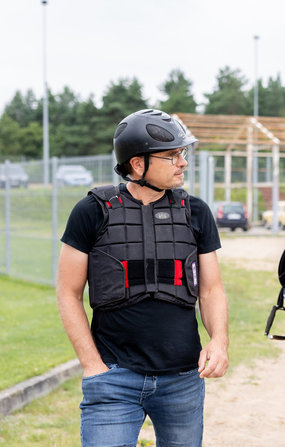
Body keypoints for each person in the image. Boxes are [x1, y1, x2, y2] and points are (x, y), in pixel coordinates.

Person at [57, 109, 229, 447]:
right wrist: (92, 366)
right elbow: (68, 294)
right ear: (138, 164)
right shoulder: (91, 211)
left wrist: (219, 341)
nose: (183, 162)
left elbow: (211, 290)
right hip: (113, 379)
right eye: (172, 155)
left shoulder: (196, 212)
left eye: (183, 154)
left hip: (183, 380)